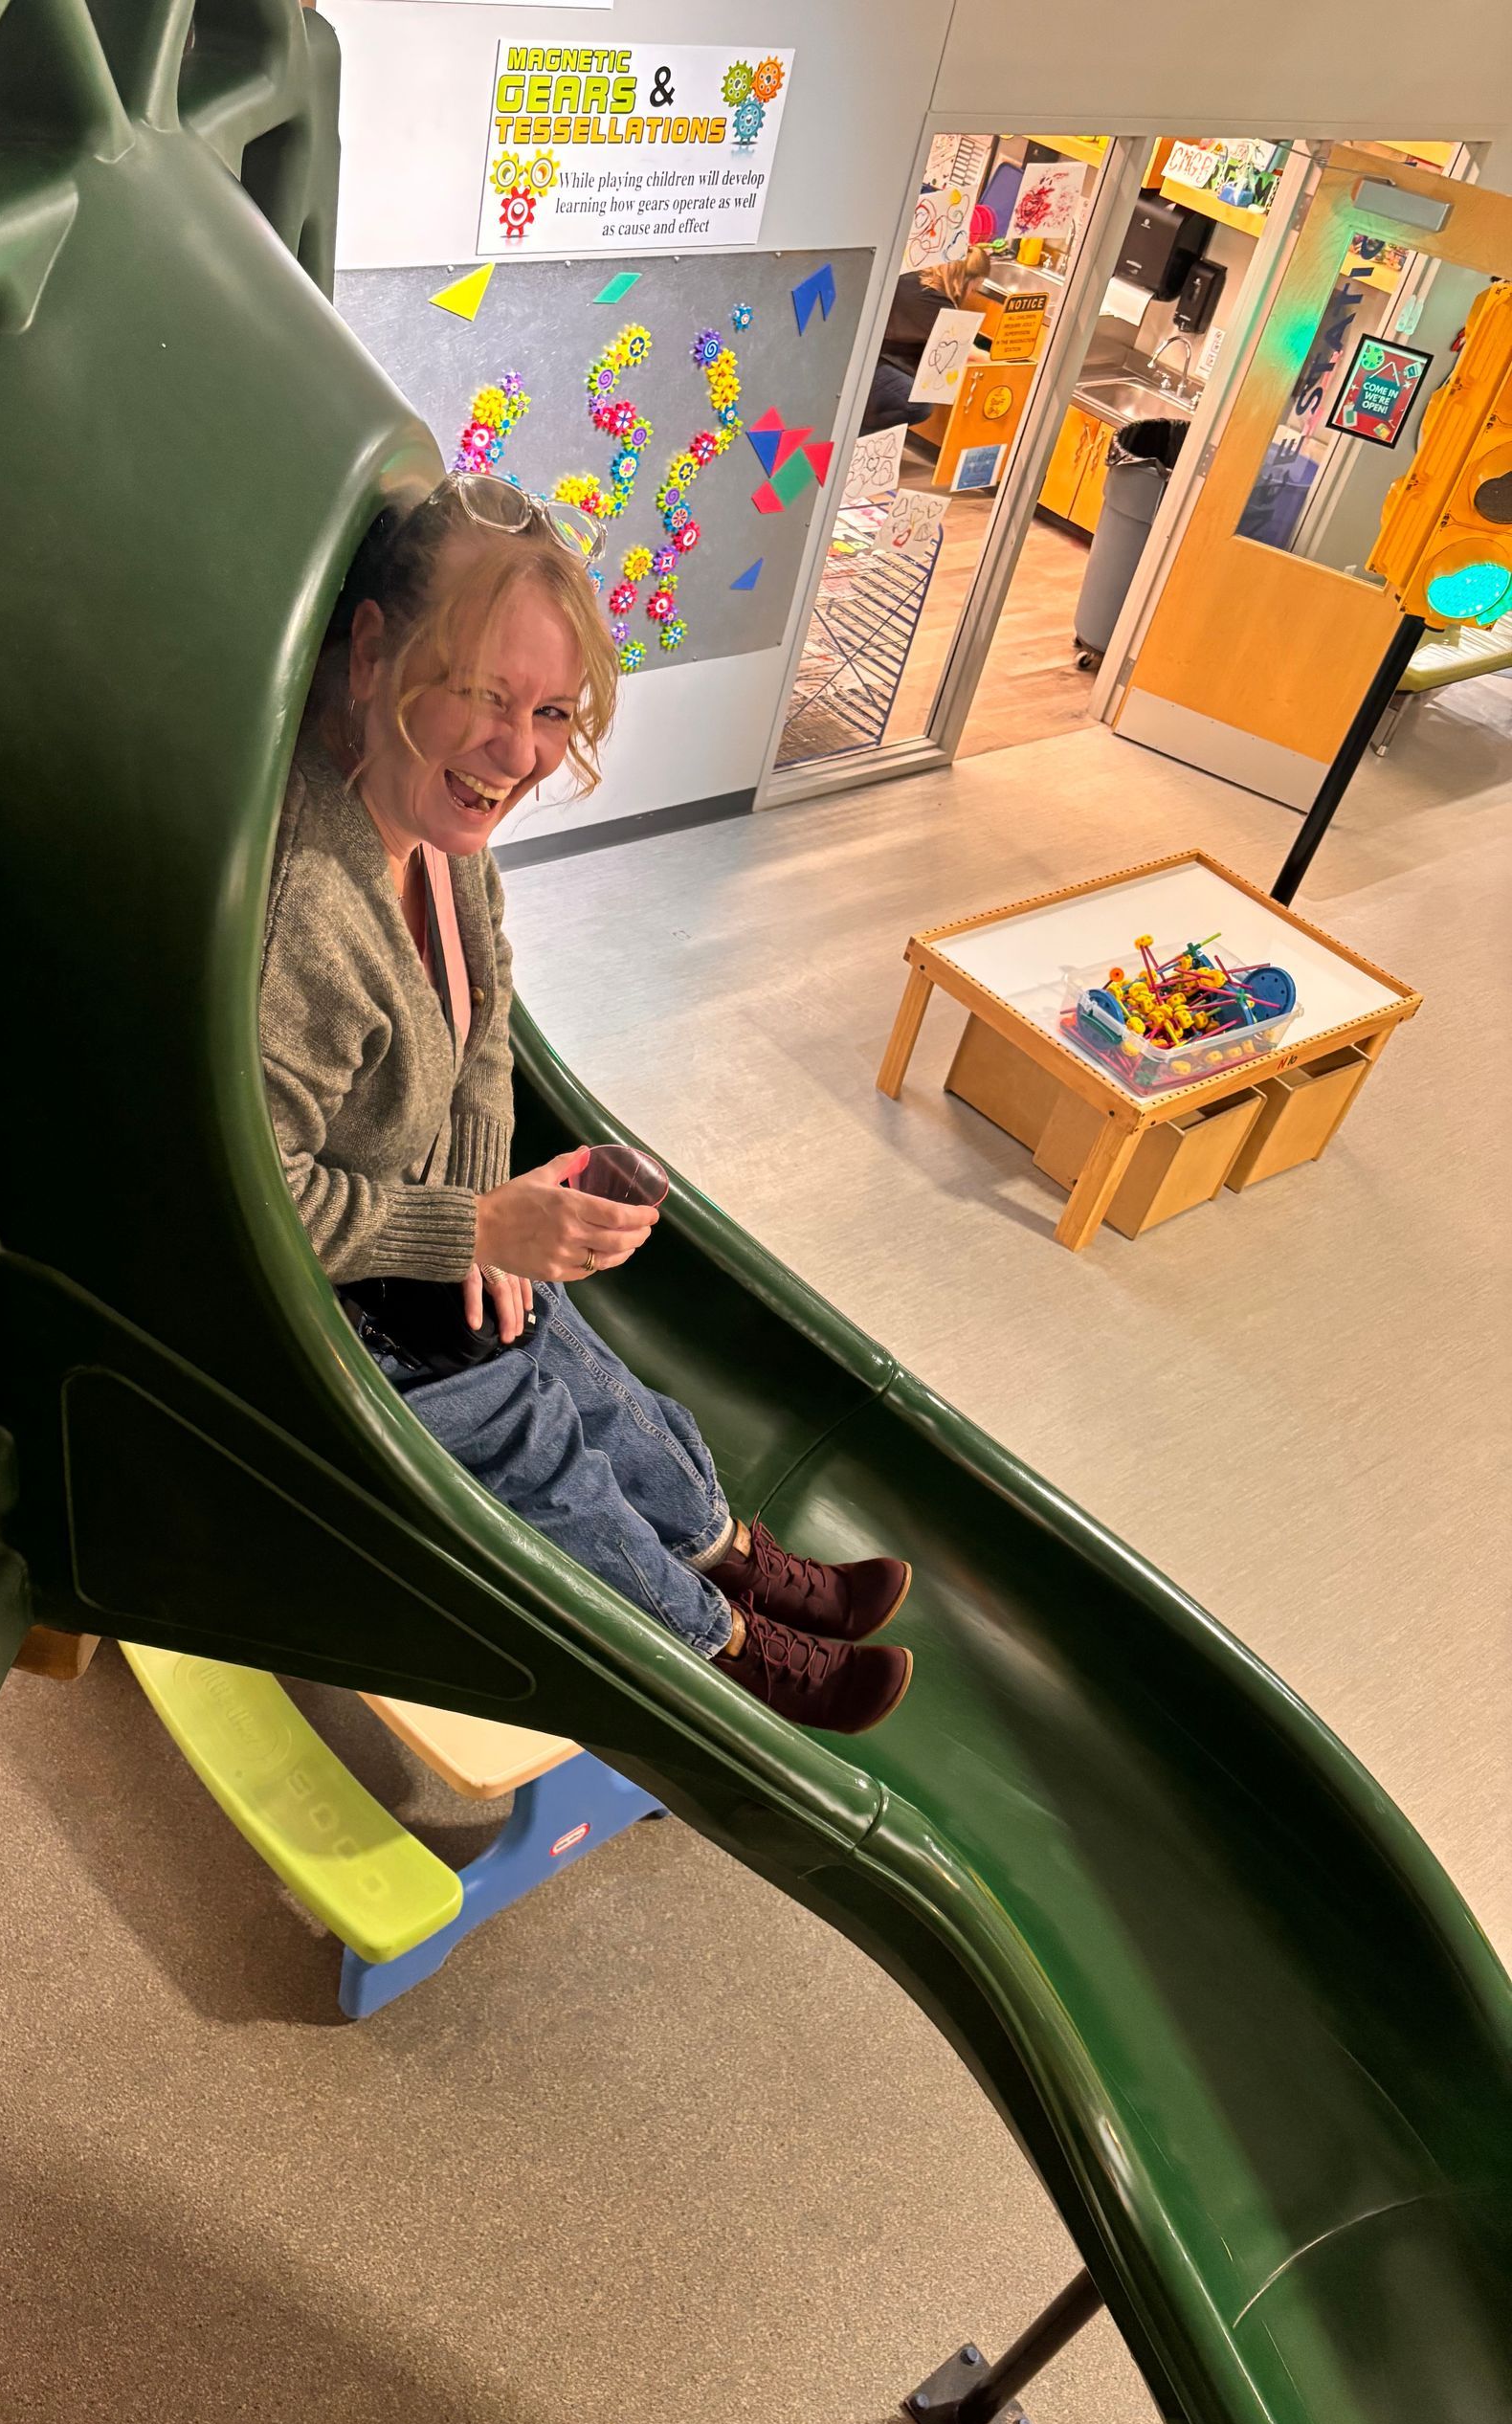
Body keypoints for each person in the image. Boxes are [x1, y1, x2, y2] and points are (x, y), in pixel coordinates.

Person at [259, 474, 916, 1735]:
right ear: (373, 651)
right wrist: (474, 1237)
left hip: (426, 1234)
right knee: (535, 1450)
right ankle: (717, 1639)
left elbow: (485, 1023)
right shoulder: (310, 907)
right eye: (485, 695)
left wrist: (490, 1220)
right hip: (334, 1312)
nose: (521, 752)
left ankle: (726, 1546)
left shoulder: (446, 843)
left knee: (596, 1382)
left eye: (553, 710)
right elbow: (255, 1192)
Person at [860, 246, 991, 435]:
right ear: (965, 280)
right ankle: (854, 437)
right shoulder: (935, 303)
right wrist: (998, 360)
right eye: (975, 287)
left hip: (864, 356)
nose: (972, 293)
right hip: (873, 365)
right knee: (918, 406)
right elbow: (965, 350)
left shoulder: (912, 279)